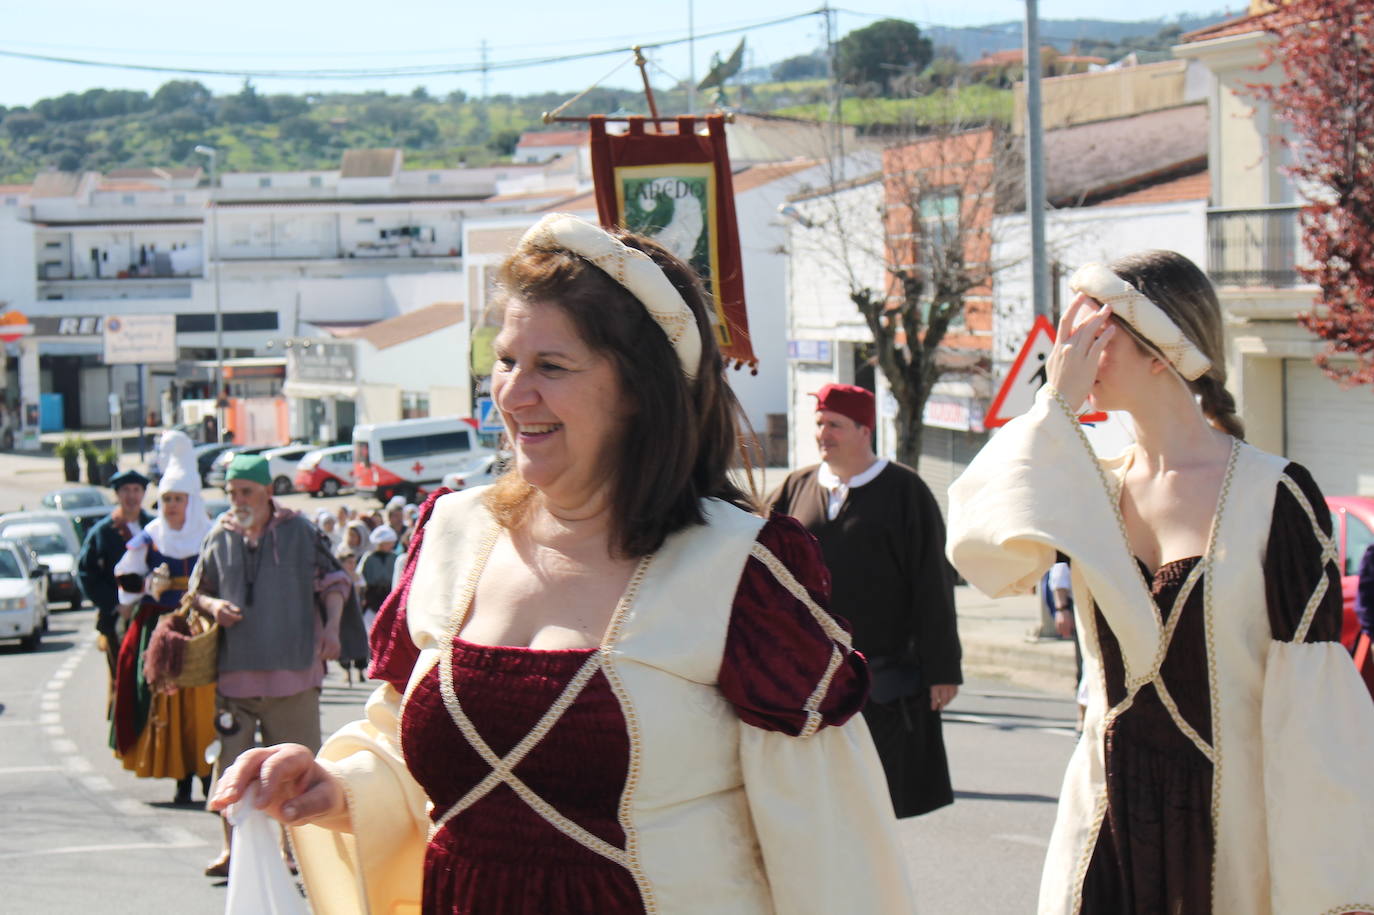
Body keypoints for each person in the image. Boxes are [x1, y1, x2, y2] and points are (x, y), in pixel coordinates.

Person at [209, 213, 913, 914]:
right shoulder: (454, 535)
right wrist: (332, 785)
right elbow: (408, 751)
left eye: (552, 365)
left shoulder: (738, 572)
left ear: (640, 391)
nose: (513, 395)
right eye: (507, 359)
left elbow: (831, 853)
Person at [946, 251, 1374, 913]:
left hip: (1229, 840)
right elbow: (980, 551)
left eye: (1094, 332)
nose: (1070, 349)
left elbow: (1311, 718)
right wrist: (1053, 407)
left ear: (1159, 352)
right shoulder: (1091, 484)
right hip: (1107, 827)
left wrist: (1321, 889)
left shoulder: (1273, 495)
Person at [768, 383, 962, 818]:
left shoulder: (904, 491)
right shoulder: (796, 488)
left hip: (883, 679)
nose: (824, 433)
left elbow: (932, 583)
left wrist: (942, 668)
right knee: (815, 804)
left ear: (863, 429)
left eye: (834, 425)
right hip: (807, 680)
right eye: (819, 424)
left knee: (875, 805)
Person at [189, 452, 366, 878]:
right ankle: (230, 850)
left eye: (246, 492)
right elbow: (198, 590)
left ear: (268, 491)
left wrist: (332, 629)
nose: (238, 500)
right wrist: (214, 606)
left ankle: (295, 852)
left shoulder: (300, 531)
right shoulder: (220, 534)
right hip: (235, 677)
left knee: (296, 774)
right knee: (230, 769)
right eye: (232, 493)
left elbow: (335, 582)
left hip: (294, 676)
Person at [109, 430, 215, 804]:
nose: (170, 506)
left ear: (191, 500)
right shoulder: (150, 536)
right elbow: (126, 579)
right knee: (165, 702)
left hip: (201, 627)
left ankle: (207, 772)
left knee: (204, 702)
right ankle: (180, 775)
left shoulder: (210, 534)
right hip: (160, 627)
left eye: (177, 499)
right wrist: (149, 586)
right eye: (166, 499)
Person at [77, 468, 155, 685]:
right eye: (126, 490)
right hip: (117, 617)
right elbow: (86, 573)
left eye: (136, 490)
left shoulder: (154, 526)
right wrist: (115, 604)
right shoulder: (102, 532)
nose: (131, 496)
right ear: (117, 494)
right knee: (122, 678)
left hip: (151, 611)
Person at [358, 525, 399, 631]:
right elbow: (360, 578)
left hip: (389, 596)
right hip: (372, 597)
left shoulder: (395, 558)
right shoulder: (369, 558)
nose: (392, 544)